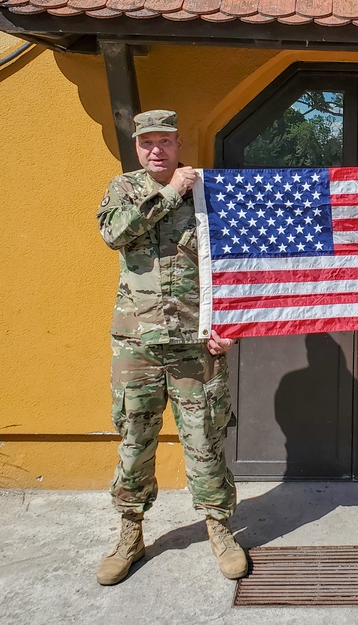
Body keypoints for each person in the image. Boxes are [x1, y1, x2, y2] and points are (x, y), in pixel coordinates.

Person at [95, 109, 247, 586]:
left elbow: (234, 262)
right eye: (146, 143)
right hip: (135, 341)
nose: (156, 150)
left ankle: (220, 528)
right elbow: (113, 233)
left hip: (194, 341)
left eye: (164, 141)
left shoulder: (207, 194)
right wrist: (169, 192)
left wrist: (231, 323)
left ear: (179, 143)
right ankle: (130, 532)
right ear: (137, 148)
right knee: (135, 438)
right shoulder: (123, 189)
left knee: (205, 438)